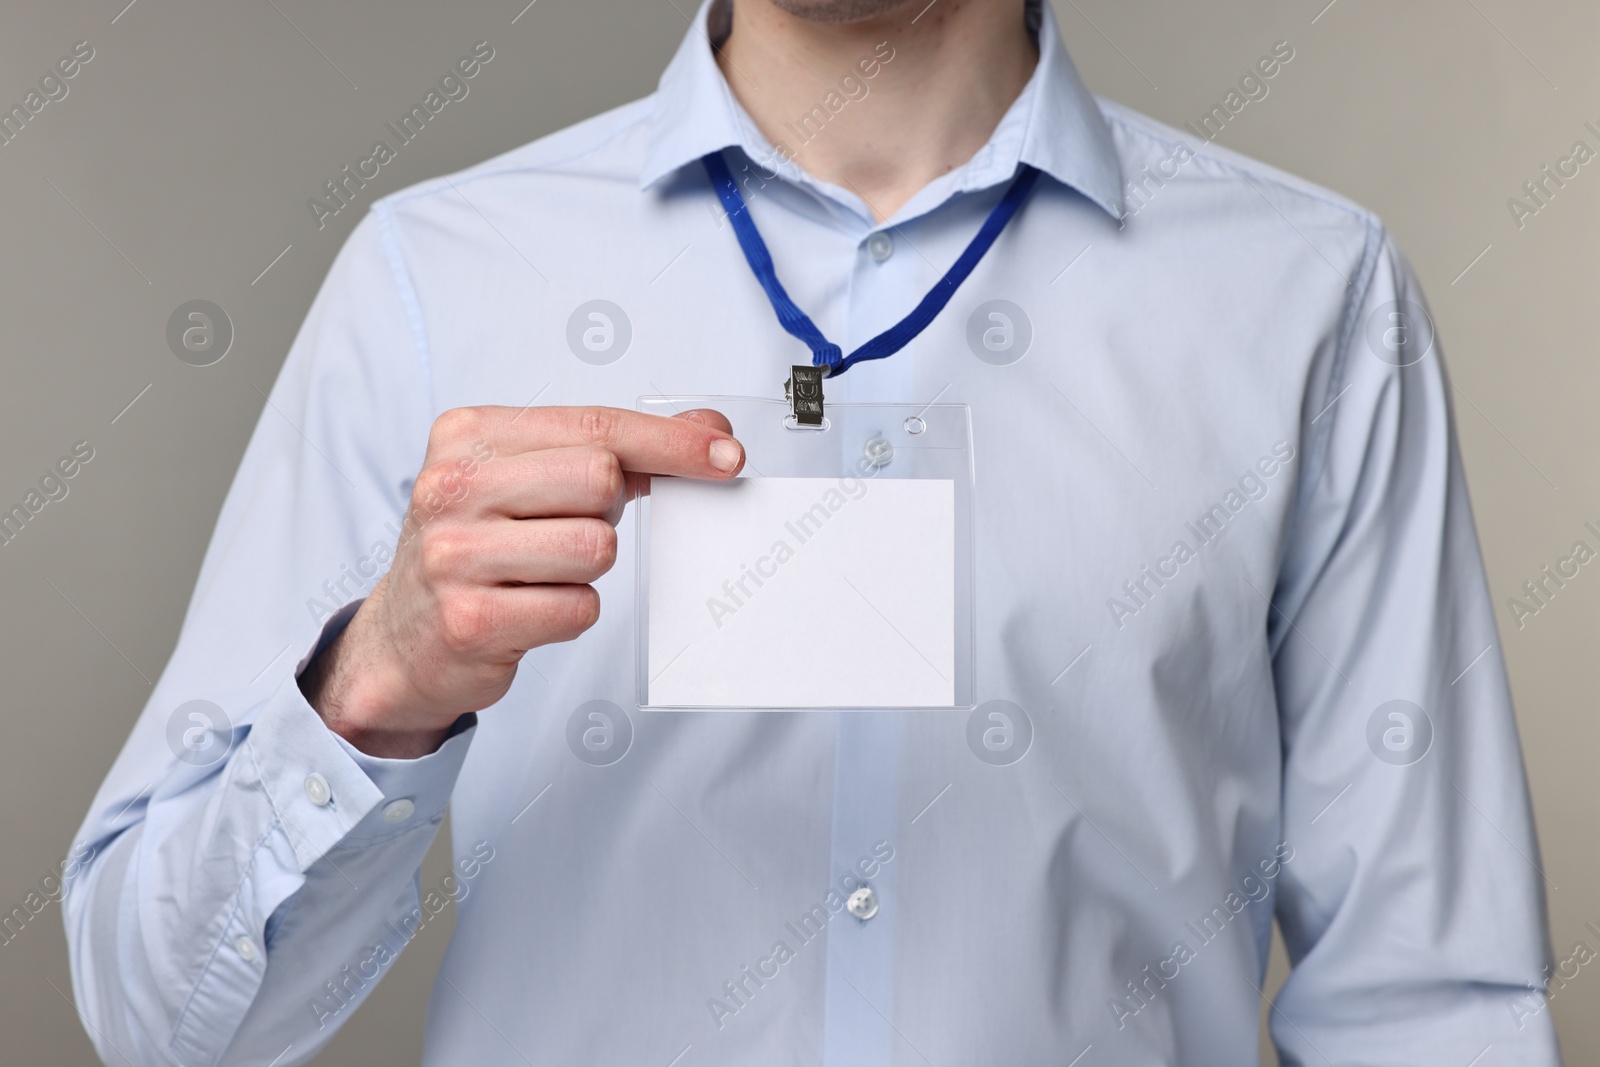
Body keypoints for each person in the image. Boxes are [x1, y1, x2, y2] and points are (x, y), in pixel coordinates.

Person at [67, 0, 1560, 1062]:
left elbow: (1426, 1003)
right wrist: (371, 689)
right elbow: (163, 1027)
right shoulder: (432, 280)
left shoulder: (1308, 295)